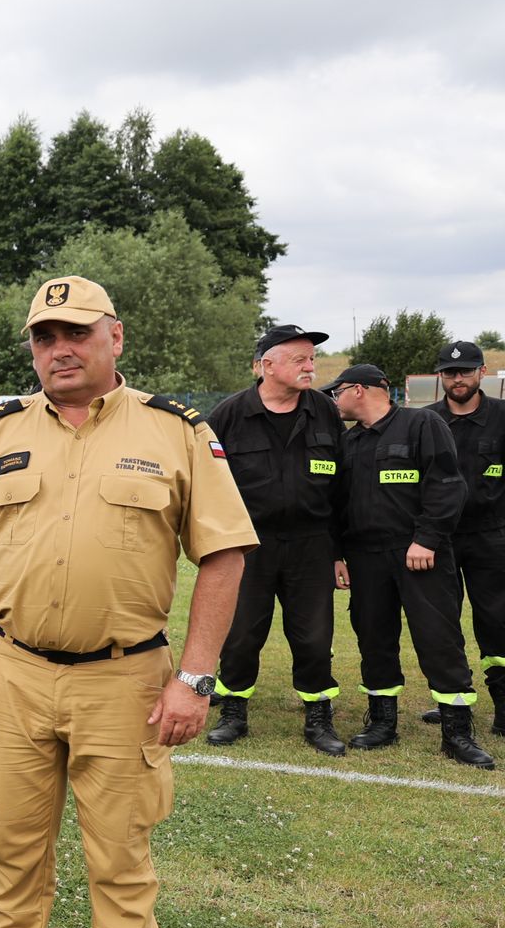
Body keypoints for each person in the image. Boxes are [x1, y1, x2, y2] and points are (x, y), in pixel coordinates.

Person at [0, 274, 256, 928]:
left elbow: (225, 553)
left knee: (120, 845)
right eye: (44, 336)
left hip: (126, 679)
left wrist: (196, 677)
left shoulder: (176, 431)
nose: (59, 349)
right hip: (14, 671)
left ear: (115, 337)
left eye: (75, 332)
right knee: (15, 835)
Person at [327, 363, 492, 767]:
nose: (334, 401)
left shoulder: (422, 425)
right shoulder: (348, 443)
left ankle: (457, 732)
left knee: (439, 639)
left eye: (338, 392)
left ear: (360, 390)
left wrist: (426, 538)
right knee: (373, 637)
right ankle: (382, 723)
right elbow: (336, 506)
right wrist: (337, 554)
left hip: (421, 553)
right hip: (366, 557)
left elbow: (447, 485)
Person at [202, 325, 347, 754]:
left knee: (315, 636)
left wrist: (339, 551)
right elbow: (206, 485)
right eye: (300, 359)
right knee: (242, 632)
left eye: (312, 359)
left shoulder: (324, 411)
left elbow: (342, 489)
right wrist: (216, 544)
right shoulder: (229, 415)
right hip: (249, 544)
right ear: (267, 365)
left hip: (312, 543)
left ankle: (319, 716)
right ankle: (233, 710)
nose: (311, 366)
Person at [423, 341, 505, 737]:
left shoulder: (503, 417)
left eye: (466, 371)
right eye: (450, 373)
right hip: (441, 539)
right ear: (441, 376)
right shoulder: (425, 421)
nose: (458, 379)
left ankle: (504, 704)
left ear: (482, 372)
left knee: (497, 621)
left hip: (492, 537)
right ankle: (453, 700)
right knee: (442, 622)